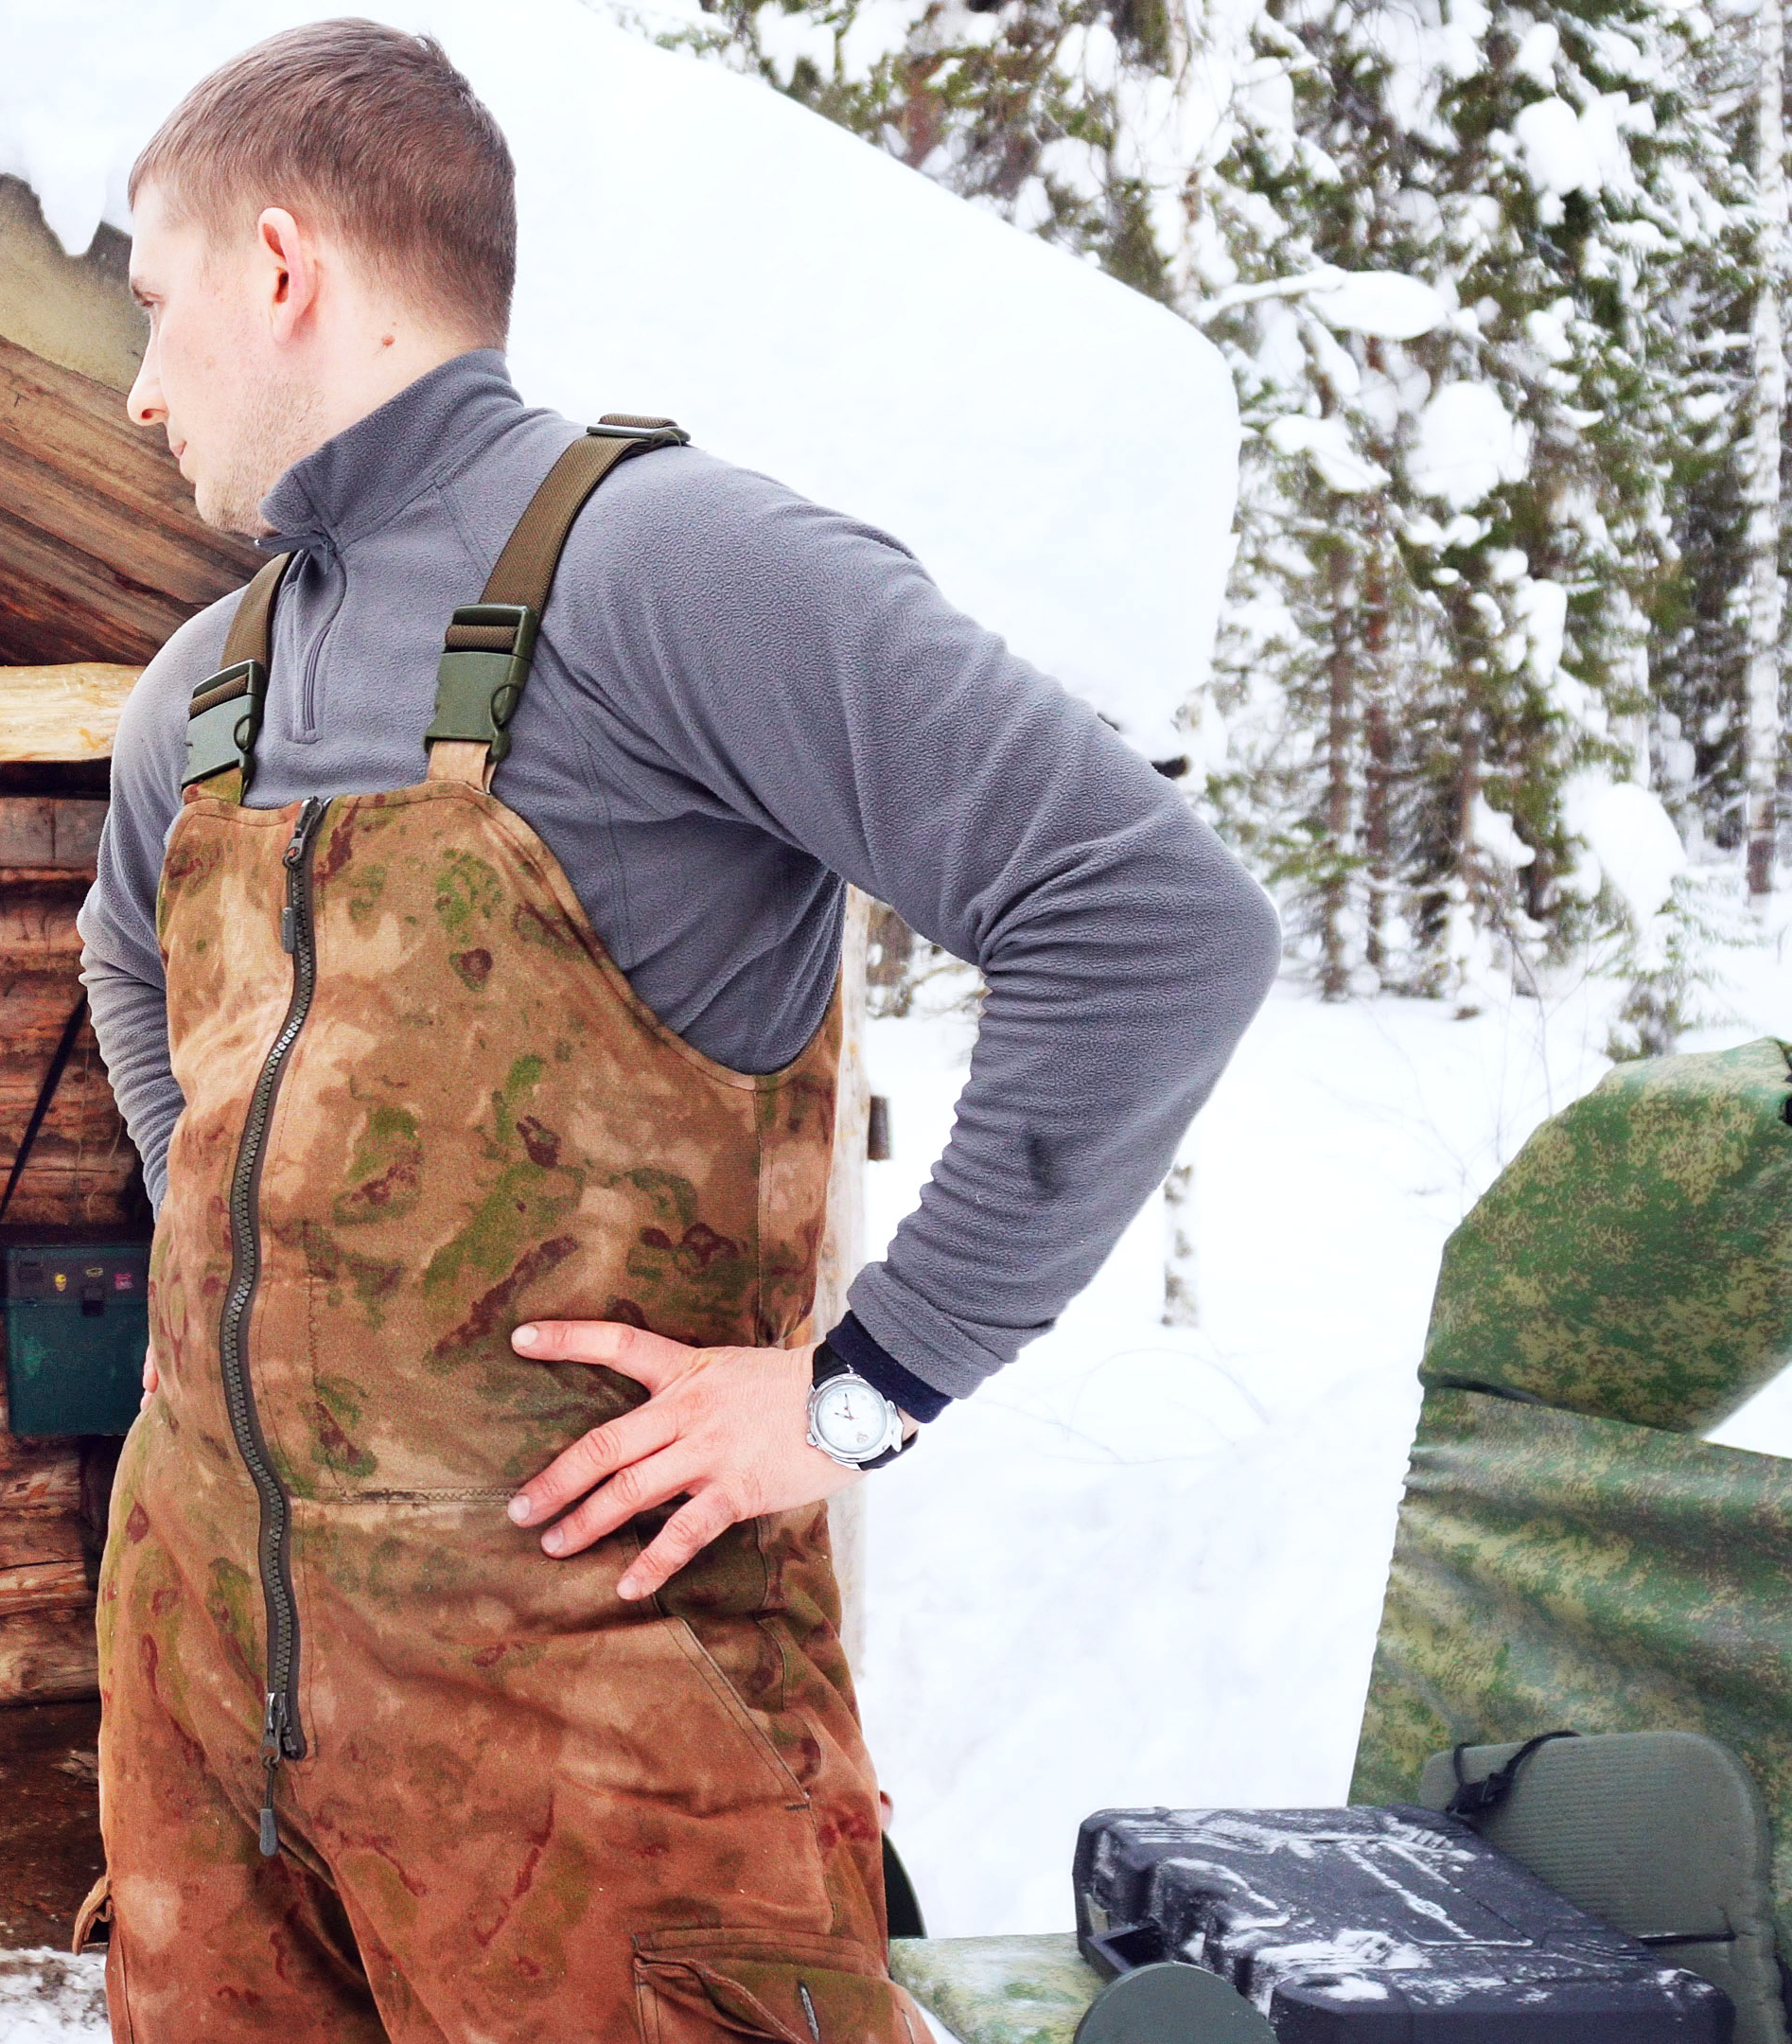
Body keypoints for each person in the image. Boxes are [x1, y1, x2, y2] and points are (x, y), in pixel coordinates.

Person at [79, 20, 1281, 2041]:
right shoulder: (201, 686)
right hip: (212, 1743)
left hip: (598, 1768)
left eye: (154, 304)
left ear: (284, 266)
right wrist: (229, 1266)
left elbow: (1149, 915)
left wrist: (861, 1385)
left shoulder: (672, 573)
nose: (133, 384)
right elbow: (135, 966)